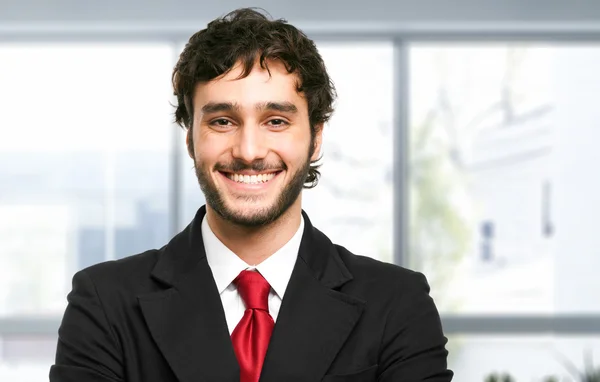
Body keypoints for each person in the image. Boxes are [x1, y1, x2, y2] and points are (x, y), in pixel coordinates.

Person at [49, 8, 453, 382]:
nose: (249, 150)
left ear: (315, 139)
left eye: (276, 121)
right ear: (190, 139)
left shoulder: (397, 304)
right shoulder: (104, 302)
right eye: (222, 121)